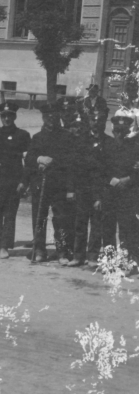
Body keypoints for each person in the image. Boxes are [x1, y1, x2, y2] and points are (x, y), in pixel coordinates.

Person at [23, 102, 76, 264]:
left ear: (58, 117)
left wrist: (53, 161)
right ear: (43, 118)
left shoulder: (67, 137)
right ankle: (39, 250)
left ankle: (62, 252)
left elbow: (71, 161)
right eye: (47, 117)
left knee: (60, 219)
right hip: (40, 184)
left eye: (54, 116)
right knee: (39, 218)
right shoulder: (37, 137)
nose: (51, 119)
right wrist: (39, 159)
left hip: (59, 184)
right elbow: (29, 159)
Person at [0, 102, 31, 258]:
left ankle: (5, 247)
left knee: (9, 215)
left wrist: (23, 181)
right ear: (0, 117)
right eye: (3, 116)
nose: (7, 119)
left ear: (15, 117)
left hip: (13, 181)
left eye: (10, 116)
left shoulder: (23, 135)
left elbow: (28, 161)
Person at [70, 104, 111, 266]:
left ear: (104, 121)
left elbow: (108, 171)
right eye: (93, 119)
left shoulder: (109, 142)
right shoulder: (81, 141)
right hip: (82, 188)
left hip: (99, 190)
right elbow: (74, 167)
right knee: (80, 223)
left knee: (96, 225)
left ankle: (93, 256)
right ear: (89, 121)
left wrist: (101, 195)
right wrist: (72, 189)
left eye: (100, 120)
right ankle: (78, 256)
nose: (96, 123)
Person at [101, 114, 139, 271]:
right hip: (110, 192)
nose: (119, 134)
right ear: (113, 130)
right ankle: (109, 262)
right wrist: (112, 181)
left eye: (123, 131)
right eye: (117, 130)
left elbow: (137, 172)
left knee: (126, 229)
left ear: (127, 131)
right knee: (108, 228)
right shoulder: (106, 146)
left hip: (127, 193)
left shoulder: (135, 148)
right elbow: (101, 169)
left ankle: (126, 261)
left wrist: (127, 180)